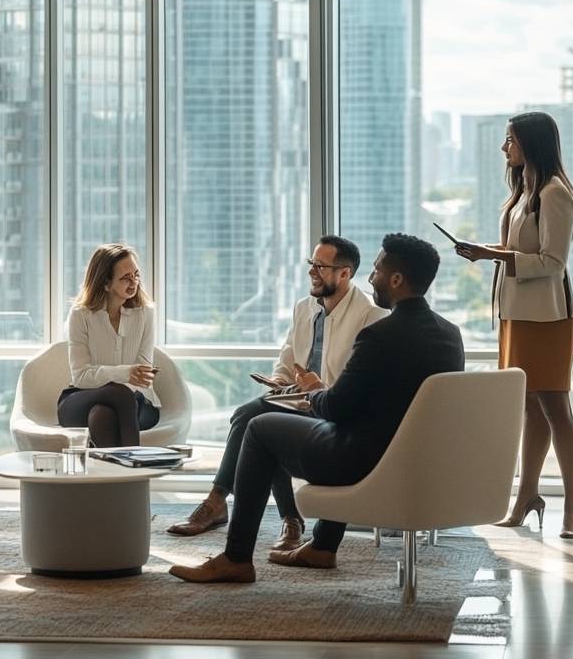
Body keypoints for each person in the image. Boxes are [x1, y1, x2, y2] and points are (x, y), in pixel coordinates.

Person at [169, 234, 464, 584]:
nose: (371, 279)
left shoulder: (379, 334)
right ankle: (322, 546)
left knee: (260, 427)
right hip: (414, 461)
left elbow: (337, 407)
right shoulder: (450, 334)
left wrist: (313, 390)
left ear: (397, 279)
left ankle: (236, 558)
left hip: (360, 459)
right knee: (268, 418)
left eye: (376, 270)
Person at [166, 235, 386, 553]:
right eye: (311, 264)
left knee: (256, 420)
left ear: (344, 273)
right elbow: (287, 361)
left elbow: (356, 387)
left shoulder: (370, 315)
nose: (312, 271)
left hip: (334, 409)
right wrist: (279, 381)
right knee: (256, 416)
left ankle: (223, 504)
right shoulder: (304, 308)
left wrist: (317, 388)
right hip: (299, 401)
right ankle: (280, 518)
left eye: (321, 266)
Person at [455, 111, 573, 539]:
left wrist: (493, 256)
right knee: (530, 406)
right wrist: (483, 251)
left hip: (547, 318)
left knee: (556, 408)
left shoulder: (554, 193)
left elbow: (552, 262)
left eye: (510, 139)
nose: (503, 147)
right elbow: (517, 250)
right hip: (518, 315)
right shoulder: (523, 192)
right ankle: (527, 496)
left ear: (532, 143)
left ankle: (571, 510)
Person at [57, 244, 159, 447]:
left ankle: (107, 477)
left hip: (138, 402)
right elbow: (81, 377)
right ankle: (134, 466)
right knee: (116, 393)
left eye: (136, 275)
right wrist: (124, 373)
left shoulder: (146, 314)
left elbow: (142, 378)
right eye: (125, 278)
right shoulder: (80, 315)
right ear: (105, 283)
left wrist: (120, 376)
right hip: (80, 398)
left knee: (102, 414)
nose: (134, 282)